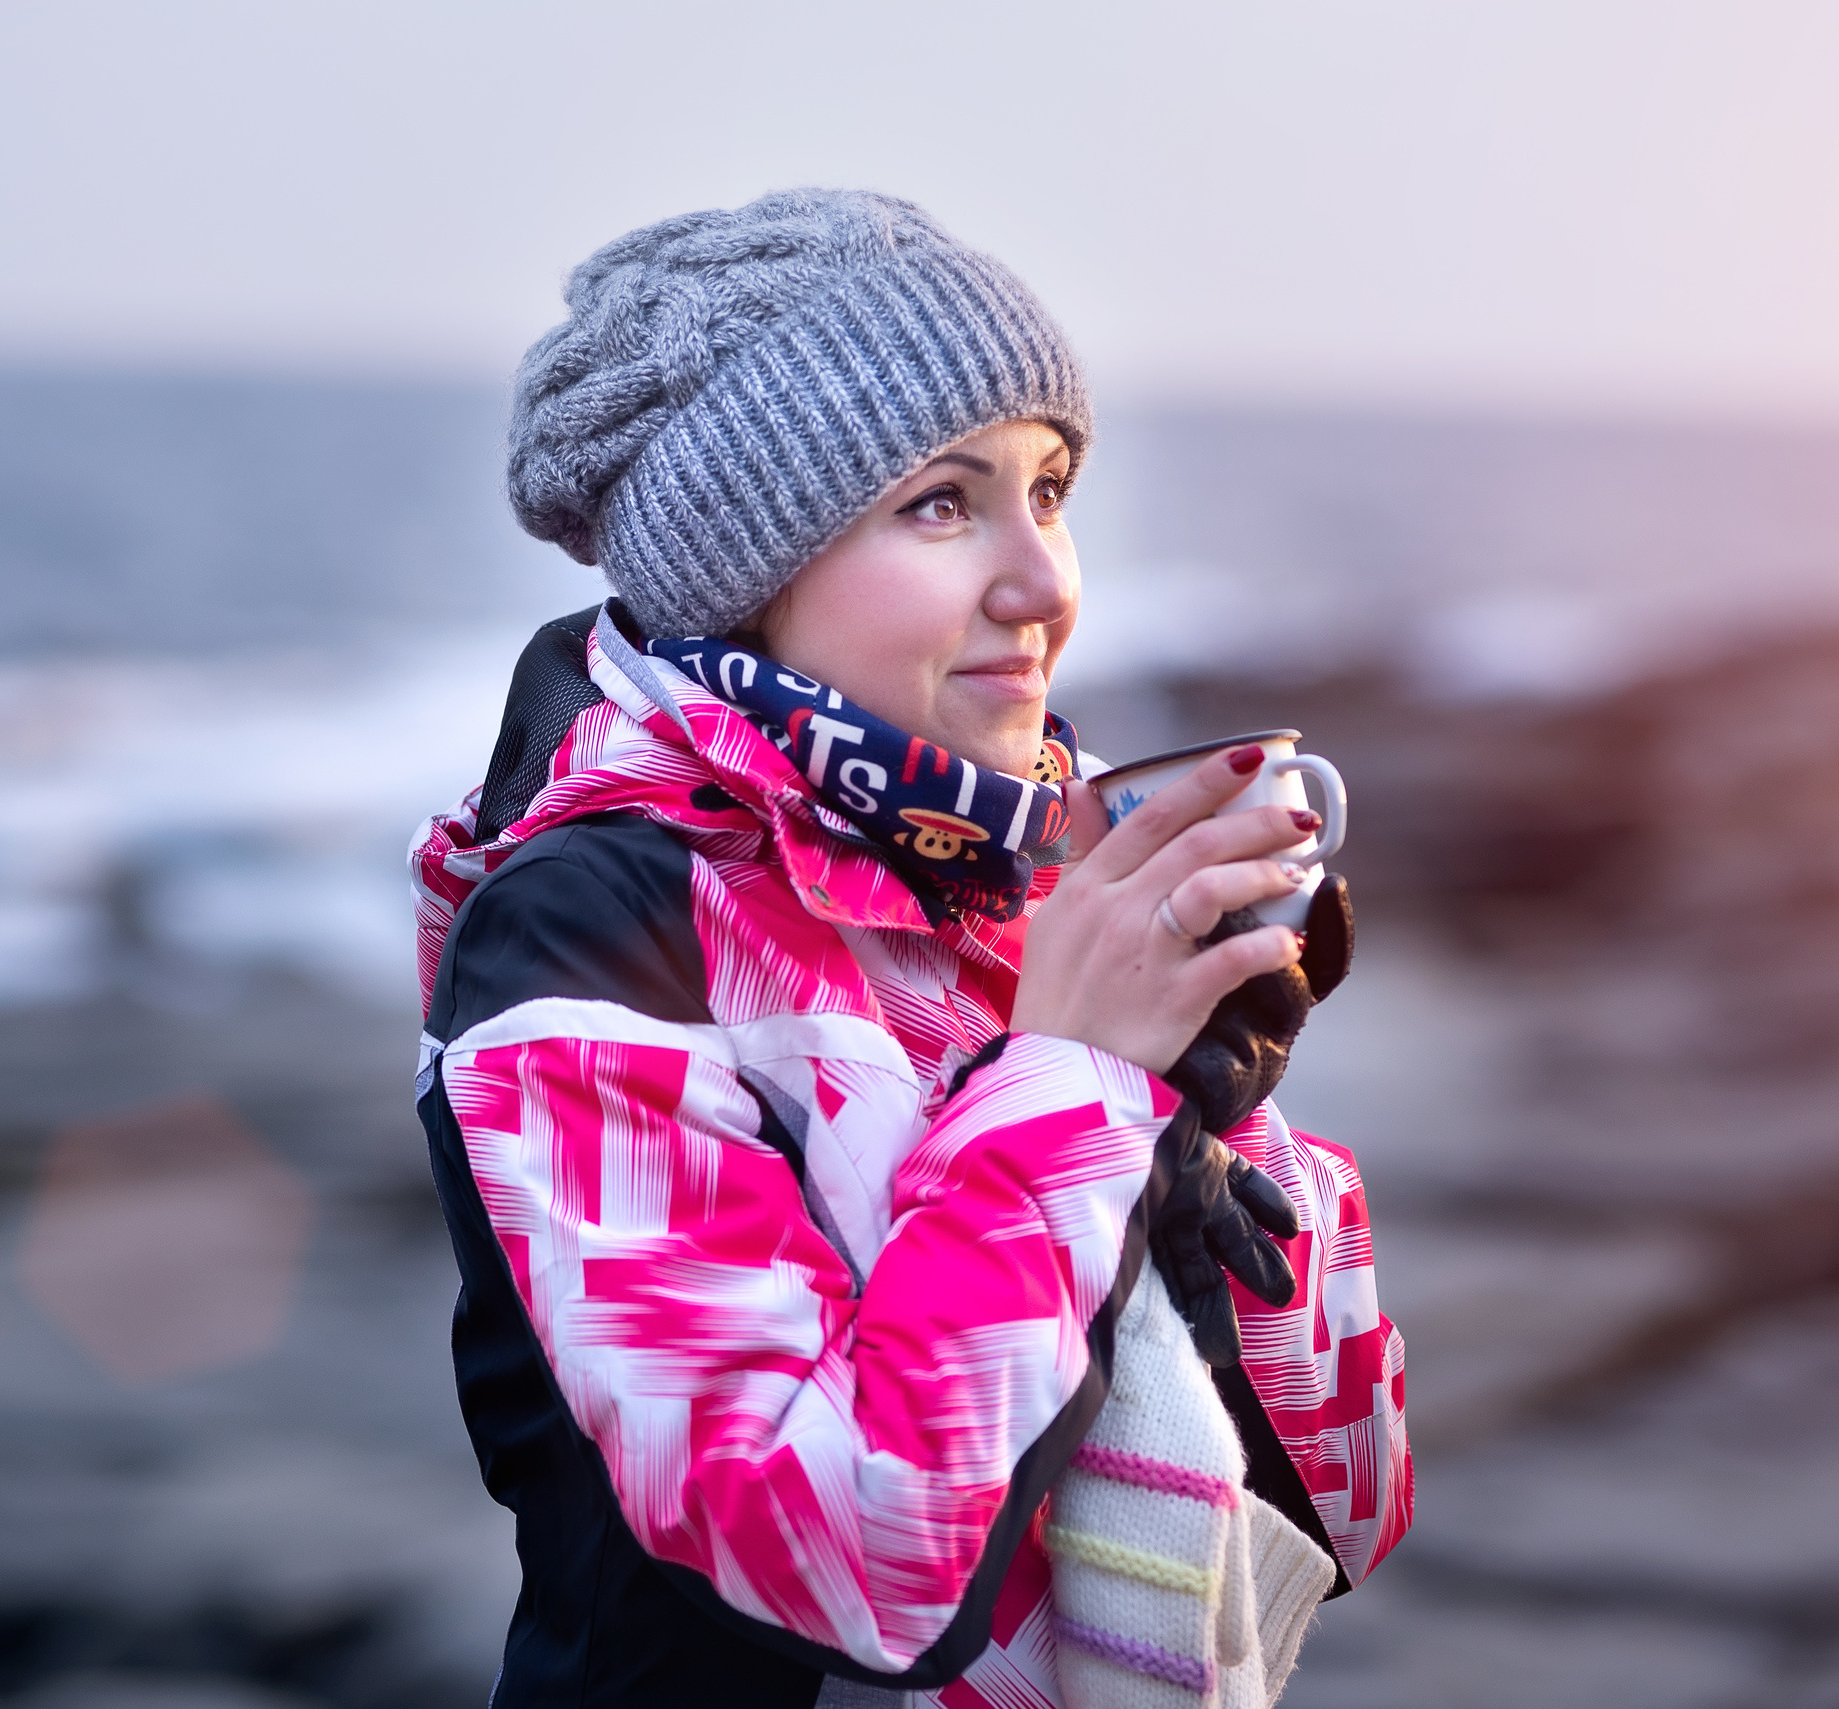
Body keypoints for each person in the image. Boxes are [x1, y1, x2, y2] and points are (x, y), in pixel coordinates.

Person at [412, 188, 1412, 1709]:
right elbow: (844, 1552)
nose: (1044, 583)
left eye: (1051, 489)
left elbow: (1348, 1507)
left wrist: (1202, 1108)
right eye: (942, 504)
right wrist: (1075, 1084)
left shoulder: (998, 881)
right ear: (745, 569)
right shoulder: (590, 930)